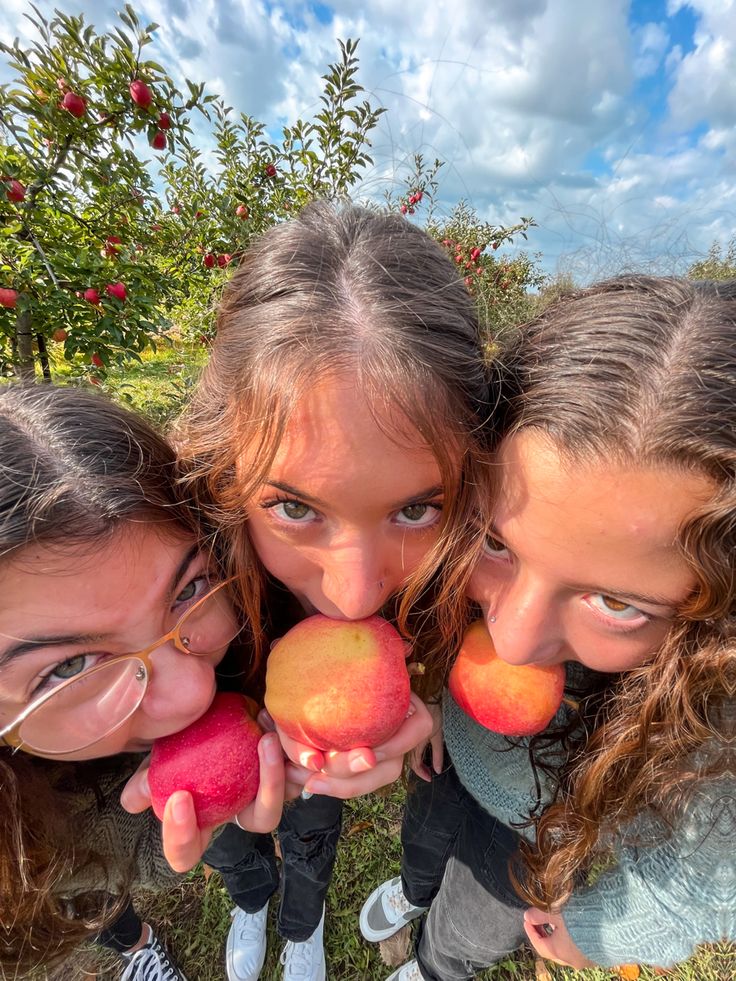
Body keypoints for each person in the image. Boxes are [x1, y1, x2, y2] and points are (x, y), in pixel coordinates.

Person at [360, 275, 735, 979]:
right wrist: (439, 694)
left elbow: (701, 889)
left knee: (465, 932)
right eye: (497, 543)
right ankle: (413, 891)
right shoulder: (458, 571)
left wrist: (589, 930)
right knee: (425, 839)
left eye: (615, 602)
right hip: (452, 758)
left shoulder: (717, 717)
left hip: (527, 838)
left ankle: (431, 966)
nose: (513, 641)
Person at [167, 201, 496, 981]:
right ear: (224, 477)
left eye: (416, 508)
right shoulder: (169, 580)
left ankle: (304, 919)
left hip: (318, 746)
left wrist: (439, 682)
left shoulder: (477, 565)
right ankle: (252, 898)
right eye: (293, 507)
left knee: (311, 817)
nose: (353, 596)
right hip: (202, 757)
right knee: (224, 835)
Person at [0, 384, 285, 981]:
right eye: (69, 667)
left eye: (188, 590)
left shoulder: (254, 607)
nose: (194, 695)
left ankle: (263, 902)